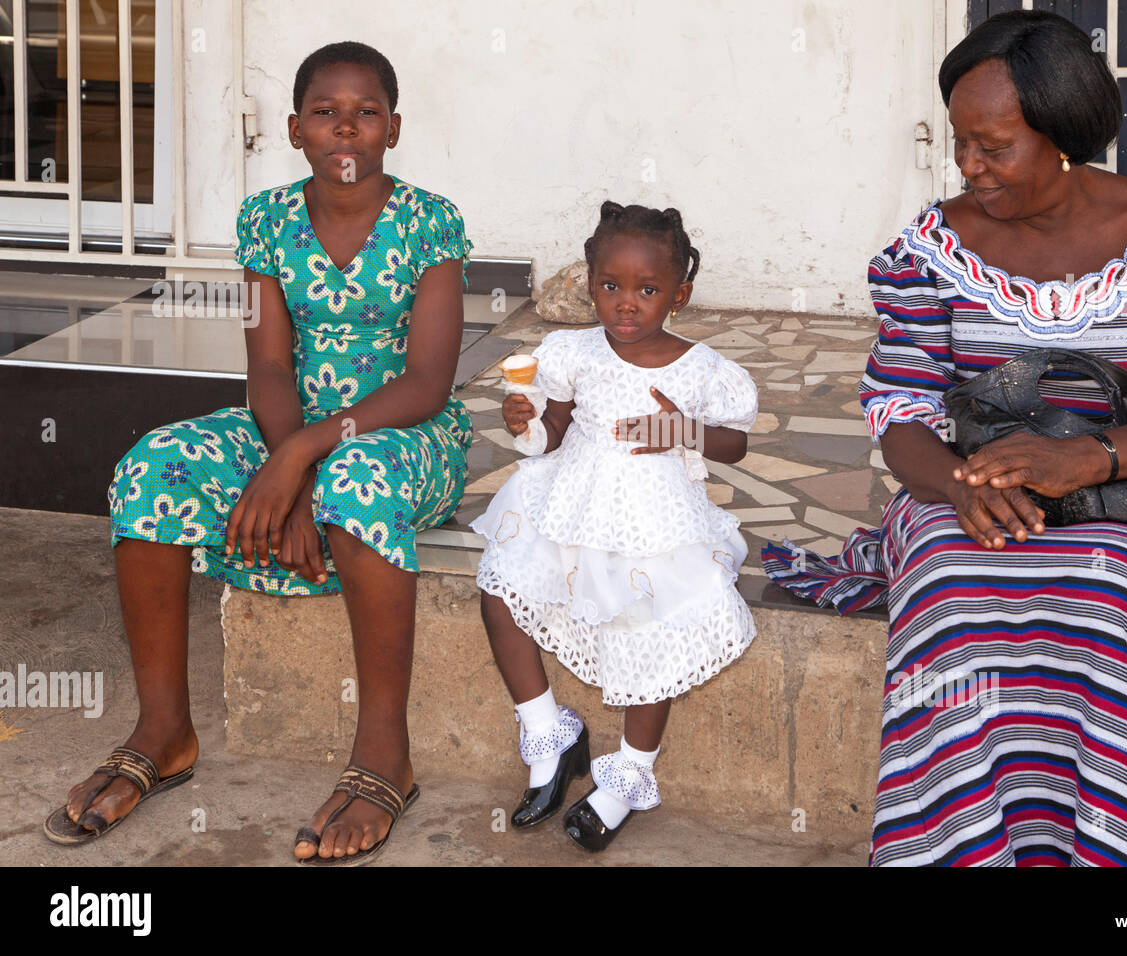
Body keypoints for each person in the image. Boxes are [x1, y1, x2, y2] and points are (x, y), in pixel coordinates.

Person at [765, 10, 1127, 865]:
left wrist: (1091, 458)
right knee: (949, 596)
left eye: (993, 146)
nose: (969, 166)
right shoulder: (931, 251)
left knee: (1105, 602)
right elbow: (903, 418)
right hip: (964, 498)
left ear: (1064, 136)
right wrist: (956, 486)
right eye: (960, 143)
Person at [43, 41, 474, 866]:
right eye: (325, 111)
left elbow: (426, 381)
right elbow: (270, 365)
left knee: (356, 477)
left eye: (366, 112)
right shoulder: (264, 222)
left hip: (406, 437)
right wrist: (290, 456)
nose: (345, 127)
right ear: (293, 129)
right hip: (285, 425)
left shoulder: (432, 222)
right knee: (152, 467)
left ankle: (385, 754)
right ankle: (164, 731)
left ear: (393, 129)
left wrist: (305, 461)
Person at [472, 201, 759, 851]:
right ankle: (548, 732)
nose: (626, 304)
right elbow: (550, 435)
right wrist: (528, 421)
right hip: (568, 498)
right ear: (589, 281)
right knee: (501, 591)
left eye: (647, 290)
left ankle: (630, 773)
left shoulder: (702, 368)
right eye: (610, 286)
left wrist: (681, 429)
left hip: (651, 518)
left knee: (646, 634)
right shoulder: (571, 351)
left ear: (678, 294)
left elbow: (735, 445)